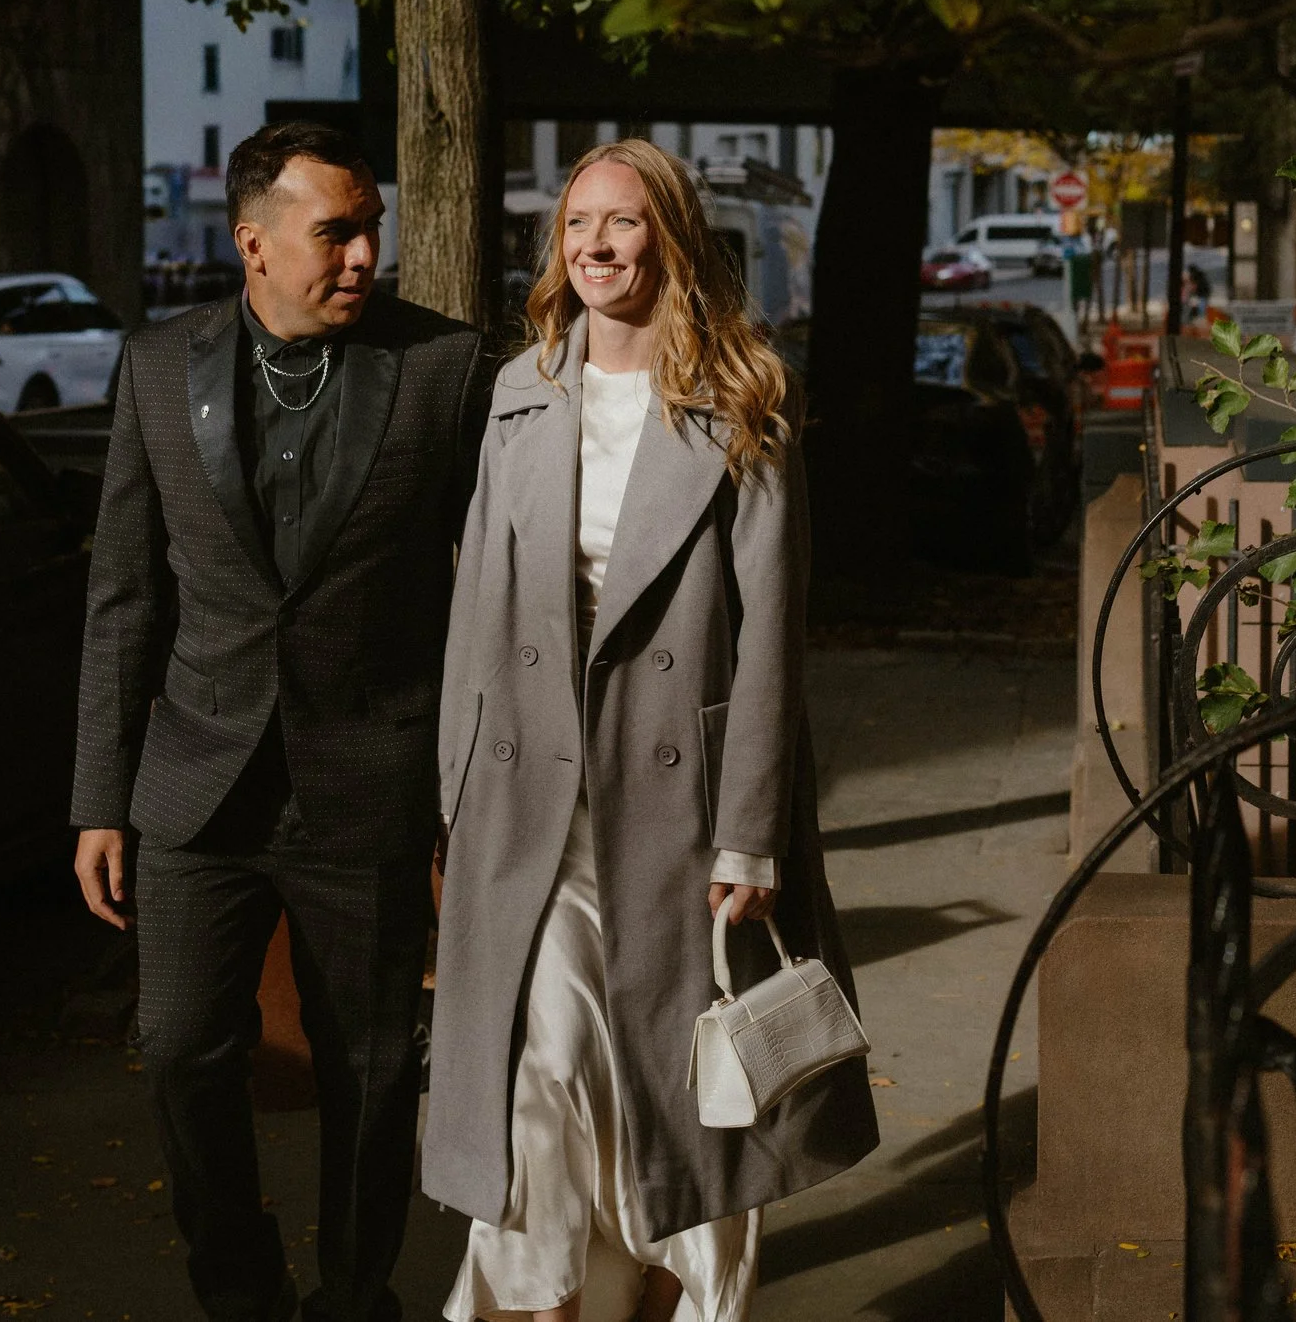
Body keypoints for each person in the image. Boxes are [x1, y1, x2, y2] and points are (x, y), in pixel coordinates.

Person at [426, 139, 876, 1322]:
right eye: (578, 226)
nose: (595, 247)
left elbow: (771, 630)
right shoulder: (524, 388)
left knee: (689, 1099)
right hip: (532, 797)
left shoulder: (742, 398)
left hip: (678, 804)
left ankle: (671, 1296)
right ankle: (544, 1297)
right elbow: (476, 605)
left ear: (668, 236)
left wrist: (751, 832)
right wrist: (454, 798)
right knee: (544, 1072)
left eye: (623, 223)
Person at [70, 119, 490, 1322]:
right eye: (336, 233)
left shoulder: (443, 368)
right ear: (254, 242)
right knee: (180, 1042)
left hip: (370, 776)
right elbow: (122, 595)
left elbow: (494, 590)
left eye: (372, 229)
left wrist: (467, 793)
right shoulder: (156, 365)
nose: (364, 255)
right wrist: (99, 795)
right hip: (198, 782)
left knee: (370, 1066)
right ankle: (238, 1286)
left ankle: (355, 1294)